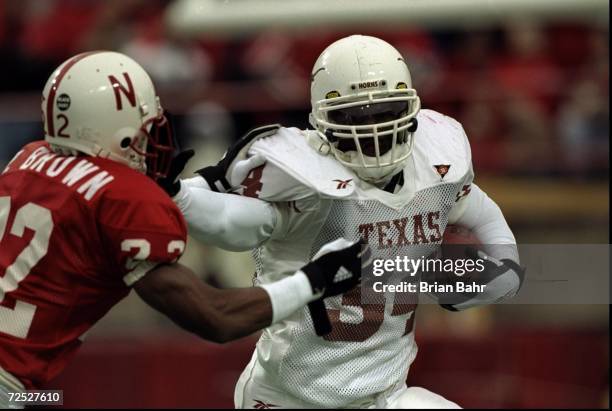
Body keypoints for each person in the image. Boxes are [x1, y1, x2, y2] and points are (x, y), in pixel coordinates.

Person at [164, 35, 525, 408]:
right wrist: (177, 197)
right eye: (354, 117)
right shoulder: (302, 176)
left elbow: (482, 213)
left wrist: (497, 275)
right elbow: (229, 217)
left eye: (385, 113)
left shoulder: (435, 165)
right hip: (290, 399)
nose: (372, 130)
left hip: (383, 396)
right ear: (322, 122)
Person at [0, 51, 368, 408]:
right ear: (121, 135)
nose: (152, 140)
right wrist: (312, 280)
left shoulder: (26, 158)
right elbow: (216, 318)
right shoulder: (121, 198)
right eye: (144, 130)